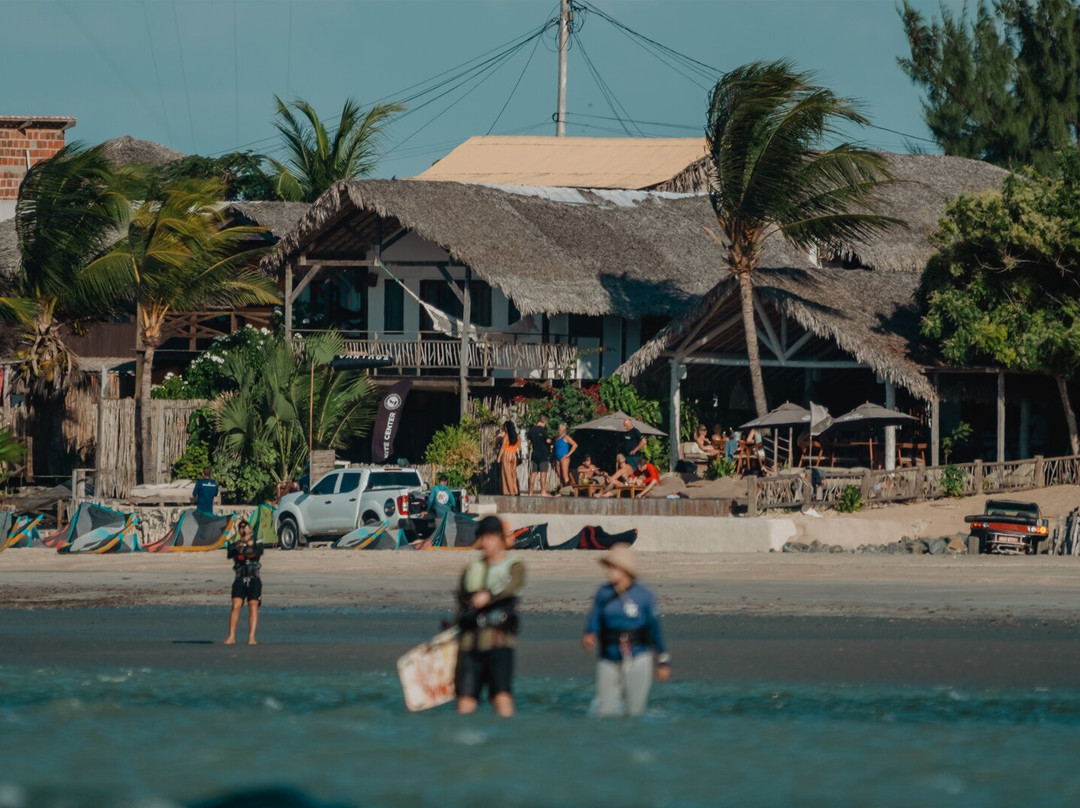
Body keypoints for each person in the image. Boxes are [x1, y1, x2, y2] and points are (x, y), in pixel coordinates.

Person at [583, 543, 670, 717]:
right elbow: (595, 619)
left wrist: (663, 660)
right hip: (608, 657)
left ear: (625, 570)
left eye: (612, 567)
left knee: (635, 711)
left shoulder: (644, 596)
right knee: (605, 711)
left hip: (638, 657)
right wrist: (590, 633)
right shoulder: (602, 593)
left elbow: (655, 629)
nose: (608, 571)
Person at [454, 515, 526, 717]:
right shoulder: (470, 570)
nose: (487, 542)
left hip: (499, 642)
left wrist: (489, 596)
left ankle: (506, 743)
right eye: (484, 537)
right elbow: (461, 603)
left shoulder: (515, 567)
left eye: (492, 537)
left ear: (501, 539)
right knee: (465, 701)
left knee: (502, 697)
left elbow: (511, 587)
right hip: (470, 643)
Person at [225, 520, 263, 645]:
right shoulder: (236, 544)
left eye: (245, 527)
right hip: (240, 578)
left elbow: (256, 553)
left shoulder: (257, 542)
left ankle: (251, 636)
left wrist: (246, 547)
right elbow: (231, 553)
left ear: (250, 529)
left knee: (253, 606)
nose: (243, 529)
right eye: (240, 527)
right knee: (236, 605)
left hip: (254, 579)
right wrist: (241, 547)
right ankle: (231, 636)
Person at [528, 415, 552, 497]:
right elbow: (548, 441)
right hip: (543, 454)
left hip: (534, 454)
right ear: (544, 422)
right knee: (543, 474)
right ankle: (543, 492)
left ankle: (530, 492)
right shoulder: (543, 430)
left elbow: (529, 441)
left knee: (533, 474)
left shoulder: (531, 430)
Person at [496, 420, 521, 496]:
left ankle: (508, 491)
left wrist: (499, 458)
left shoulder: (506, 436)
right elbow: (519, 447)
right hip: (514, 455)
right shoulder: (518, 436)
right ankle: (515, 490)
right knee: (513, 473)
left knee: (506, 473)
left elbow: (503, 448)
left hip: (506, 454)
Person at [553, 423, 578, 487]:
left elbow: (575, 445)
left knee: (565, 475)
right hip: (557, 458)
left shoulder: (566, 437)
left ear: (564, 430)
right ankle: (562, 490)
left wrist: (568, 455)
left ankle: (567, 490)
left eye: (561, 430)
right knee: (559, 475)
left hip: (564, 458)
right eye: (559, 429)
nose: (559, 431)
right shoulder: (557, 438)